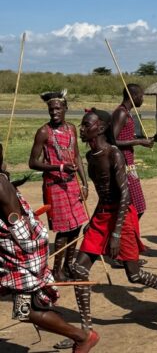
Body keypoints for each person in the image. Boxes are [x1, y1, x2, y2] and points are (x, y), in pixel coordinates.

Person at [71, 109, 157, 335]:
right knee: (78, 269)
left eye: (86, 125)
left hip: (122, 216)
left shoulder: (114, 154)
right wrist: (93, 220)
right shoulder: (90, 156)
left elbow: (125, 195)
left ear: (100, 128)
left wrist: (116, 234)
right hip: (102, 216)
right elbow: (103, 194)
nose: (82, 129)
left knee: (134, 275)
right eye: (82, 124)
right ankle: (85, 330)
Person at [0, 149, 100, 352]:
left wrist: (29, 270)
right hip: (18, 255)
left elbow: (21, 233)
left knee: (26, 311)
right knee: (25, 310)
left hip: (22, 256)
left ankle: (82, 337)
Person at [28, 90, 88, 282]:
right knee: (64, 229)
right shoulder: (44, 132)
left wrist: (85, 183)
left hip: (72, 184)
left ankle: (69, 266)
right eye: (51, 109)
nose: (54, 112)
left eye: (57, 109)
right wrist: (59, 167)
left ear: (65, 108)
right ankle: (56, 270)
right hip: (54, 186)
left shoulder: (72, 129)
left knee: (77, 225)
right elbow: (32, 162)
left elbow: (77, 156)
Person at [112, 83, 154, 220]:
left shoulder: (126, 112)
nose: (142, 99)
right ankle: (125, 232)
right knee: (134, 208)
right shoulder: (121, 113)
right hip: (122, 164)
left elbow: (124, 136)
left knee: (137, 207)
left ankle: (128, 232)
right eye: (141, 96)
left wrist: (140, 140)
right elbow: (112, 141)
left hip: (128, 163)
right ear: (134, 96)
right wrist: (139, 141)